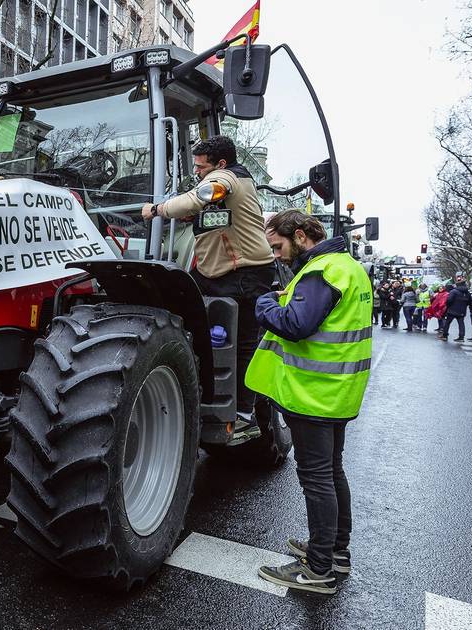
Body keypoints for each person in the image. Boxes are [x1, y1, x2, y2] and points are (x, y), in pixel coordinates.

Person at [247, 209, 372, 595]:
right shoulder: (348, 267)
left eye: (279, 246)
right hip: (337, 393)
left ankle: (319, 570)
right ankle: (335, 552)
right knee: (332, 473)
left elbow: (296, 325)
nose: (278, 255)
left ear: (301, 236)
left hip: (313, 394)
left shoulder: (321, 272)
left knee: (317, 479)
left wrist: (266, 302)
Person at [140, 135, 275, 427]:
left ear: (221, 164)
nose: (198, 172)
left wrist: (156, 210)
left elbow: (199, 196)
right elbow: (212, 214)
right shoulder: (228, 183)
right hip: (218, 272)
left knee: (244, 344)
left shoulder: (225, 179)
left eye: (201, 167)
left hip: (245, 274)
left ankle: (243, 411)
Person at [439, 277, 471, 341]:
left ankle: (445, 335)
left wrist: (448, 306)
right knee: (461, 324)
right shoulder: (467, 293)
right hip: (462, 310)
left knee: (447, 323)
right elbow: (469, 301)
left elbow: (449, 300)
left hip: (452, 310)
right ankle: (461, 337)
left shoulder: (454, 291)